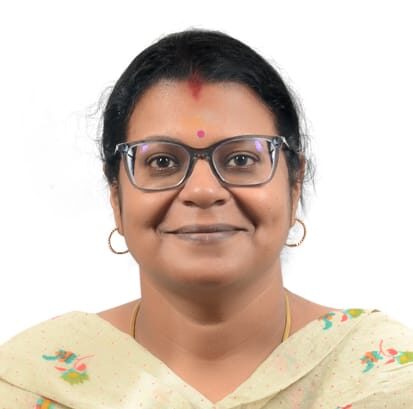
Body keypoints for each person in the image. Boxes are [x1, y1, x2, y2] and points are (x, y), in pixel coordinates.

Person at [1, 29, 412, 409]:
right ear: (116, 197)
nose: (202, 191)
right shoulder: (31, 385)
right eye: (162, 162)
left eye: (241, 159)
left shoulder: (384, 379)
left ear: (294, 185)